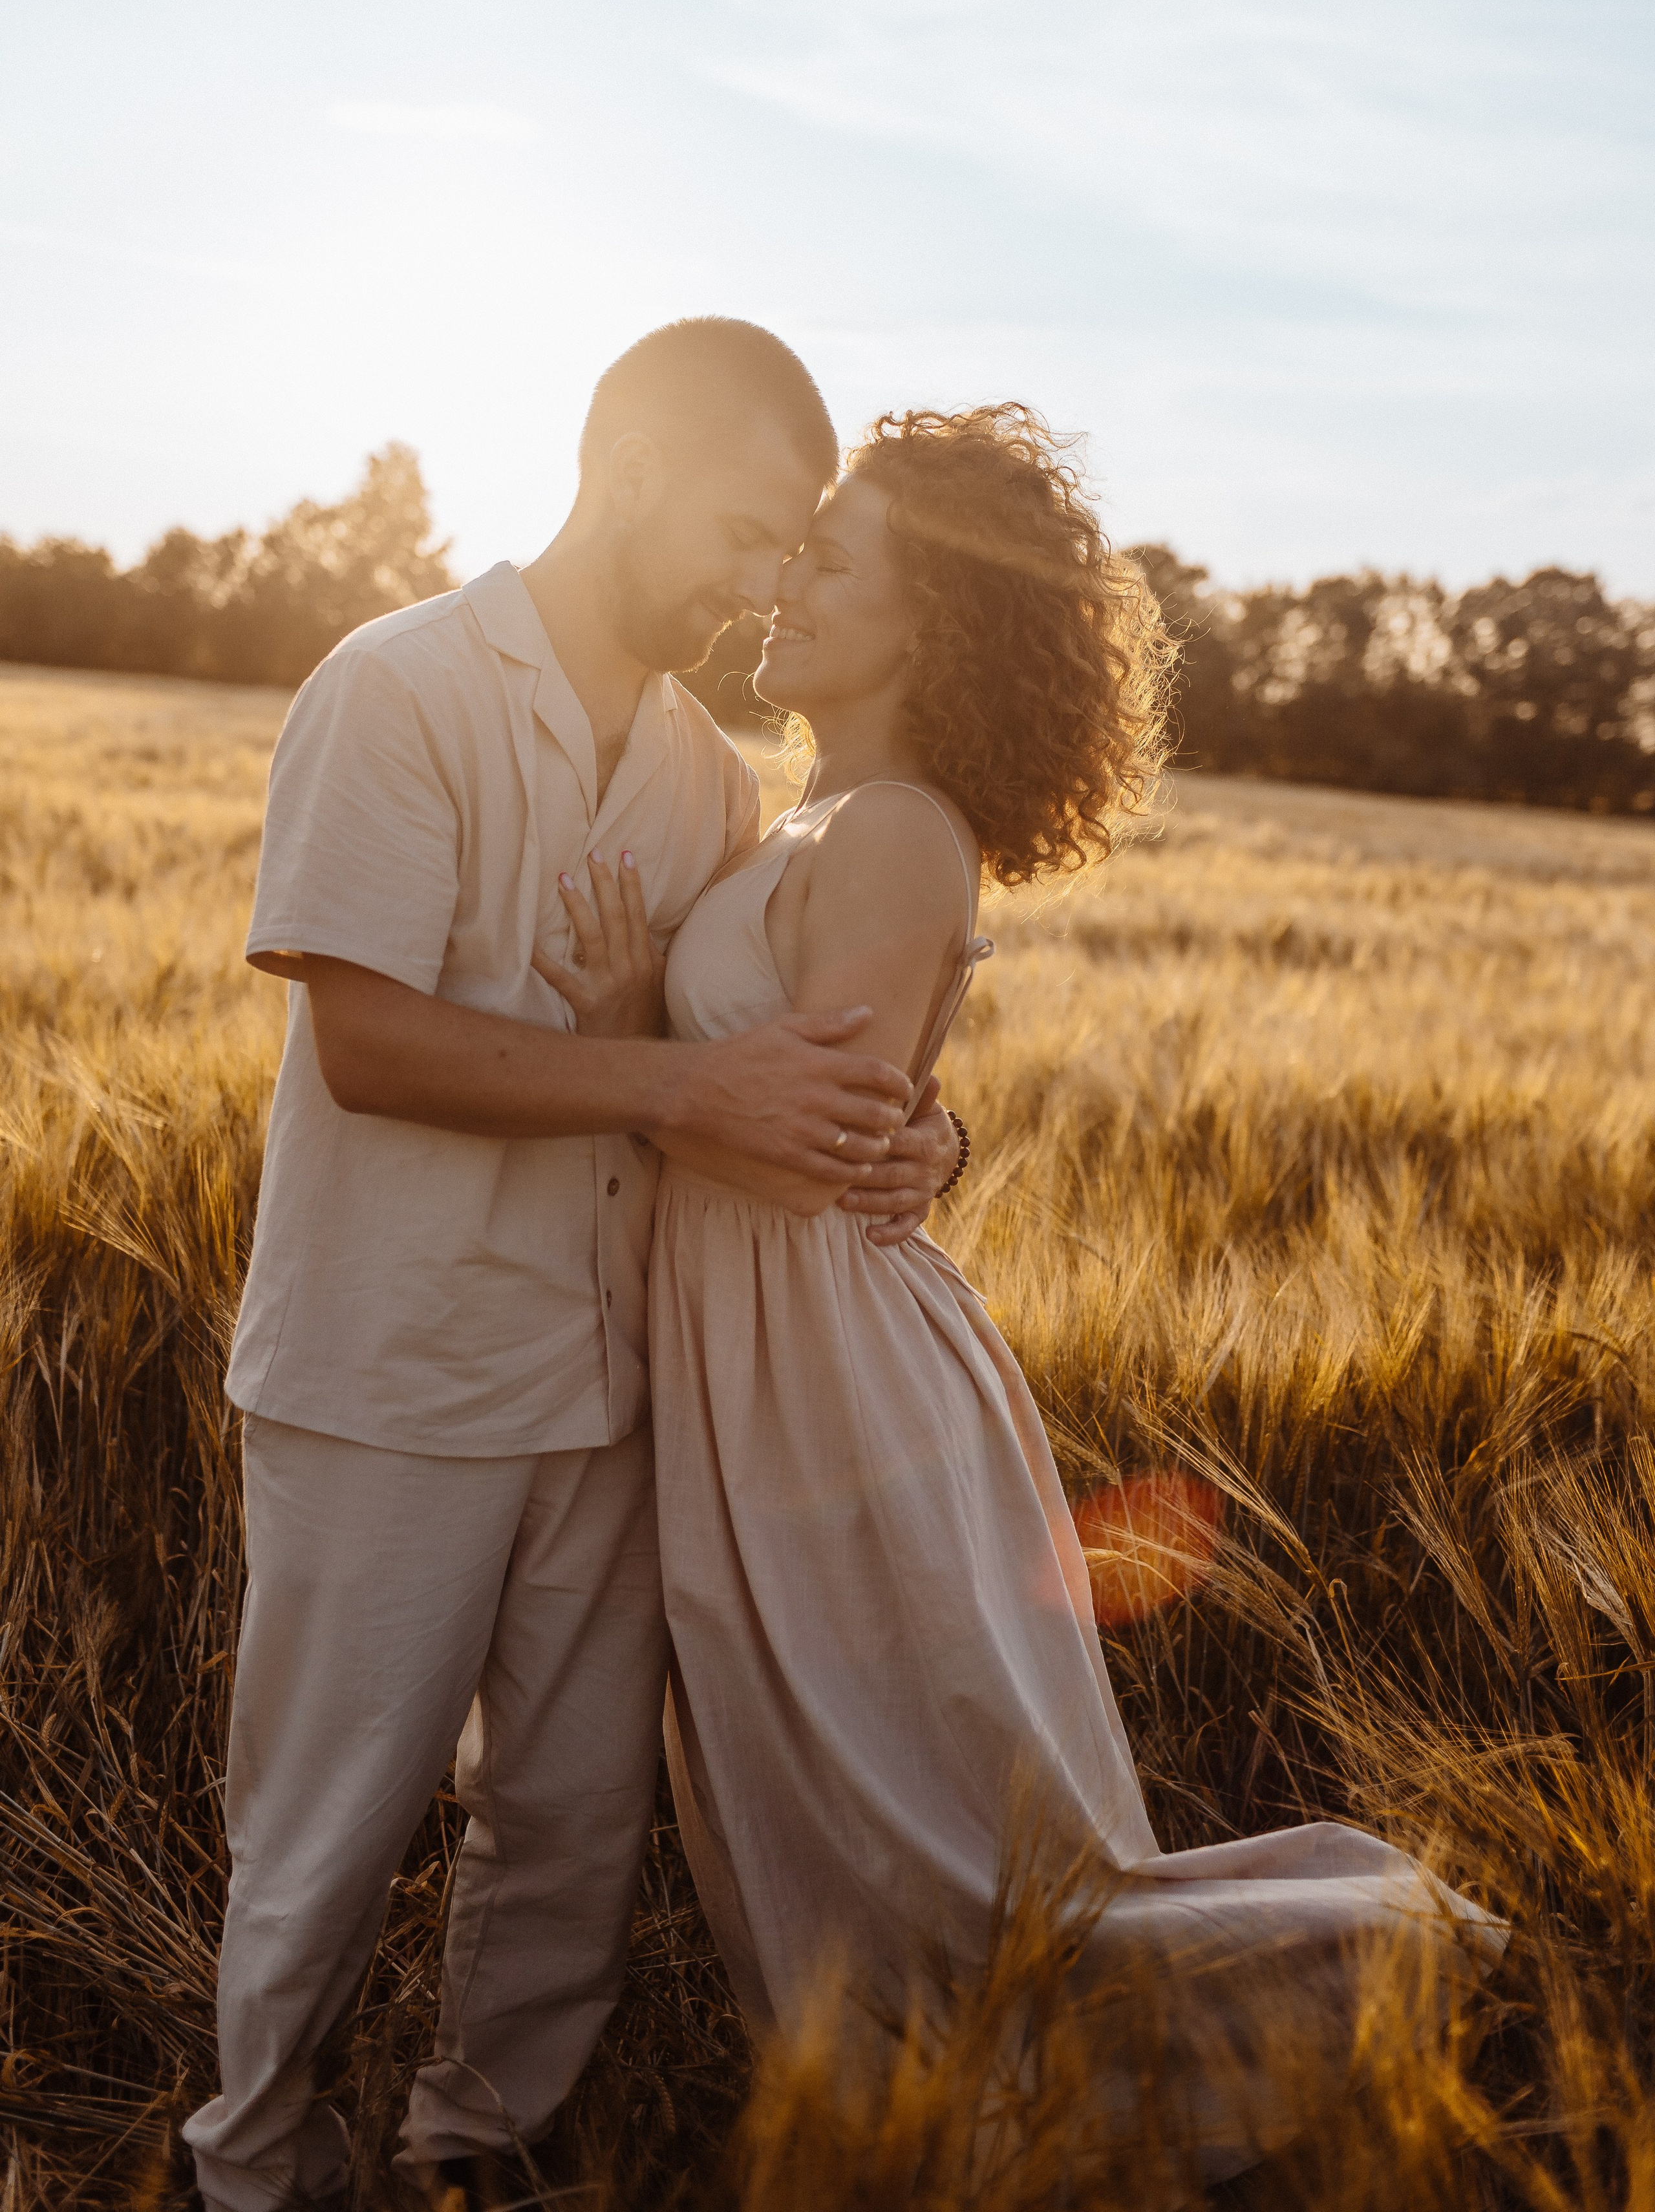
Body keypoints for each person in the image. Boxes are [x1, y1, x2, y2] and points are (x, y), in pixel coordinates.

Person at [571, 403, 1506, 2187]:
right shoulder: (810, 816)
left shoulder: (896, 828)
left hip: (830, 1383)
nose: (784, 584)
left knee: (930, 1852)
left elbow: (817, 1136)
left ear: (929, 619)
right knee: (843, 1818)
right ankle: (934, 2136)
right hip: (772, 1355)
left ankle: (1395, 1972)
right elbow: (869, 1109)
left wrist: (629, 1036)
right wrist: (913, 1125)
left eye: (829, 560)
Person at [183, 319, 959, 2212]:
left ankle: (482, 2147)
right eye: (749, 532)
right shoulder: (400, 688)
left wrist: (921, 1135)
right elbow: (373, 1047)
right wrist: (681, 1081)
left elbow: (770, 1042)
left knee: (573, 1826)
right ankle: (251, 2164)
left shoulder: (704, 774)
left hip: (616, 1383)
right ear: (629, 469)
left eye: (797, 552)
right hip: (394, 1364)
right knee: (328, 1825)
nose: (765, 583)